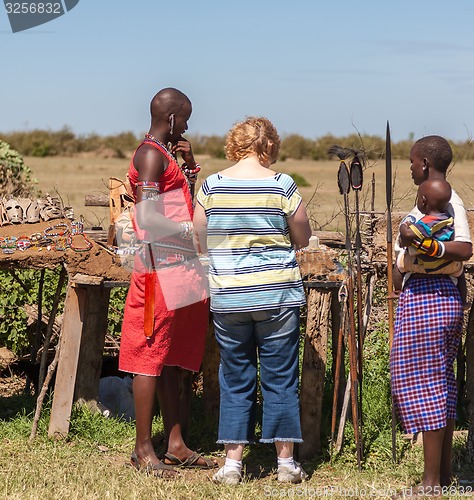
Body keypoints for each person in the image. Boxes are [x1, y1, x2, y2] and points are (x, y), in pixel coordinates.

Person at [193, 116, 312, 484]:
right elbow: (303, 237)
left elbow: (200, 239)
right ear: (270, 146)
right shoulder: (282, 185)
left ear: (234, 145)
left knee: (235, 377)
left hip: (229, 297)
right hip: (277, 295)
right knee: (280, 377)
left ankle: (231, 464)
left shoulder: (211, 186)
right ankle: (286, 463)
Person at [118, 88, 216, 477]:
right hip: (159, 268)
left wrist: (189, 168)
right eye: (186, 119)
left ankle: (174, 445)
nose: (189, 127)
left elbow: (175, 199)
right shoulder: (149, 155)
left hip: (180, 268)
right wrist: (193, 235)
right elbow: (147, 220)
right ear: (173, 118)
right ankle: (144, 450)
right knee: (150, 355)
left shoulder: (165, 156)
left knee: (173, 358)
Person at [390, 135, 472, 492]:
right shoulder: (433, 202)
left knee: (429, 383)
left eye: (411, 162)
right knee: (436, 381)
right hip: (425, 294)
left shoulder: (450, 202)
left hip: (431, 297)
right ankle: (442, 475)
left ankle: (430, 483)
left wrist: (424, 245)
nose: (409, 168)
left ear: (424, 163)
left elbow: (464, 249)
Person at [396, 178, 467, 305]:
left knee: (399, 265)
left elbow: (407, 235)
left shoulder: (426, 223)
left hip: (422, 263)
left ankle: (397, 292)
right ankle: (463, 301)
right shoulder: (449, 219)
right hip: (448, 264)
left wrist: (404, 226)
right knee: (460, 274)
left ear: (423, 201)